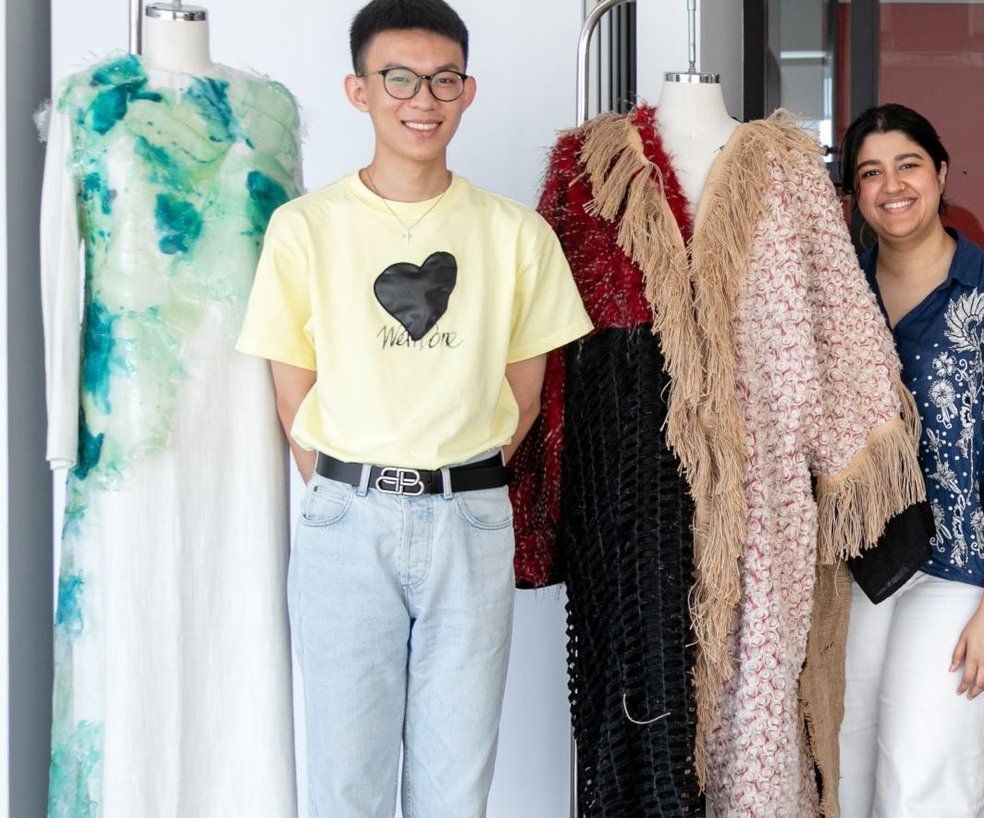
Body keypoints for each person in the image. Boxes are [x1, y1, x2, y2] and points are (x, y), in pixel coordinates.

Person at [235, 1, 591, 814]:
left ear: (468, 90)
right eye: (398, 79)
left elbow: (524, 396)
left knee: (455, 784)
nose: (422, 100)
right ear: (358, 90)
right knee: (345, 781)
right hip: (344, 520)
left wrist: (455, 481)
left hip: (470, 517)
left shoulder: (515, 234)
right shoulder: (304, 229)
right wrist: (353, 488)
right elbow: (292, 396)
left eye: (443, 80)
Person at [836, 103, 984, 818]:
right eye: (871, 173)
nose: (892, 186)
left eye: (907, 165)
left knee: (925, 785)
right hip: (858, 569)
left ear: (940, 172)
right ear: (856, 193)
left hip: (967, 570)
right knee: (844, 776)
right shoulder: (841, 296)